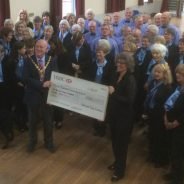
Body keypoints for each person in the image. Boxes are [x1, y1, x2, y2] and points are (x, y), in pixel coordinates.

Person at [23, 39, 57, 153]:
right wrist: (42, 84)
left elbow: (55, 76)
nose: (38, 49)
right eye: (37, 46)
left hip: (48, 96)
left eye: (41, 47)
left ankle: (49, 142)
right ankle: (32, 142)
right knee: (32, 122)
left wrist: (50, 83)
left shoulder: (52, 60)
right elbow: (26, 78)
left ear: (46, 49)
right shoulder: (28, 61)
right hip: (32, 96)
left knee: (48, 121)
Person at [107, 52, 136, 182]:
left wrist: (113, 94)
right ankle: (117, 161)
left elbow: (129, 100)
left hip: (124, 117)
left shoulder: (130, 79)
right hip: (114, 114)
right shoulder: (116, 75)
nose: (118, 64)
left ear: (127, 65)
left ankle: (120, 171)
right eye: (118, 62)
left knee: (121, 144)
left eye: (122, 63)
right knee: (114, 141)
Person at [144, 63, 172, 167]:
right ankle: (152, 155)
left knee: (160, 137)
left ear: (165, 74)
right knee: (151, 135)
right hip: (151, 113)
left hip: (160, 116)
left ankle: (160, 160)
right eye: (155, 71)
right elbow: (148, 97)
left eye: (159, 72)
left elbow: (167, 105)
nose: (156, 73)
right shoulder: (152, 83)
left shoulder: (167, 87)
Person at [164, 64, 184, 184]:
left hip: (180, 128)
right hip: (172, 124)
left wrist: (175, 123)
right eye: (177, 73)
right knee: (172, 151)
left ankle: (177, 179)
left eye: (181, 74)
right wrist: (166, 118)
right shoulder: (178, 87)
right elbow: (169, 103)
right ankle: (173, 173)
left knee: (178, 154)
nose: (177, 75)